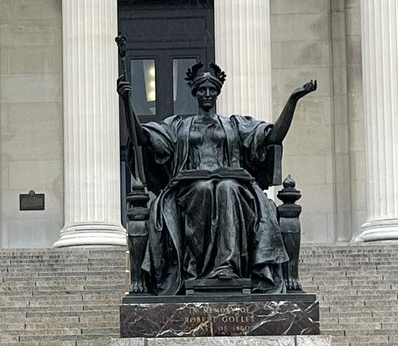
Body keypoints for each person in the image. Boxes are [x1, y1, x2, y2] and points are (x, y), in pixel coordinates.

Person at [117, 60, 317, 294]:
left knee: (226, 188)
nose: (207, 94)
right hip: (188, 188)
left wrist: (292, 100)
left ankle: (227, 267)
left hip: (234, 186)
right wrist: (127, 101)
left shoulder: (234, 125)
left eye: (212, 90)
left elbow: (273, 136)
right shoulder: (179, 126)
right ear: (194, 93)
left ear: (218, 92)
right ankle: (194, 270)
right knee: (203, 188)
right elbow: (143, 138)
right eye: (202, 90)